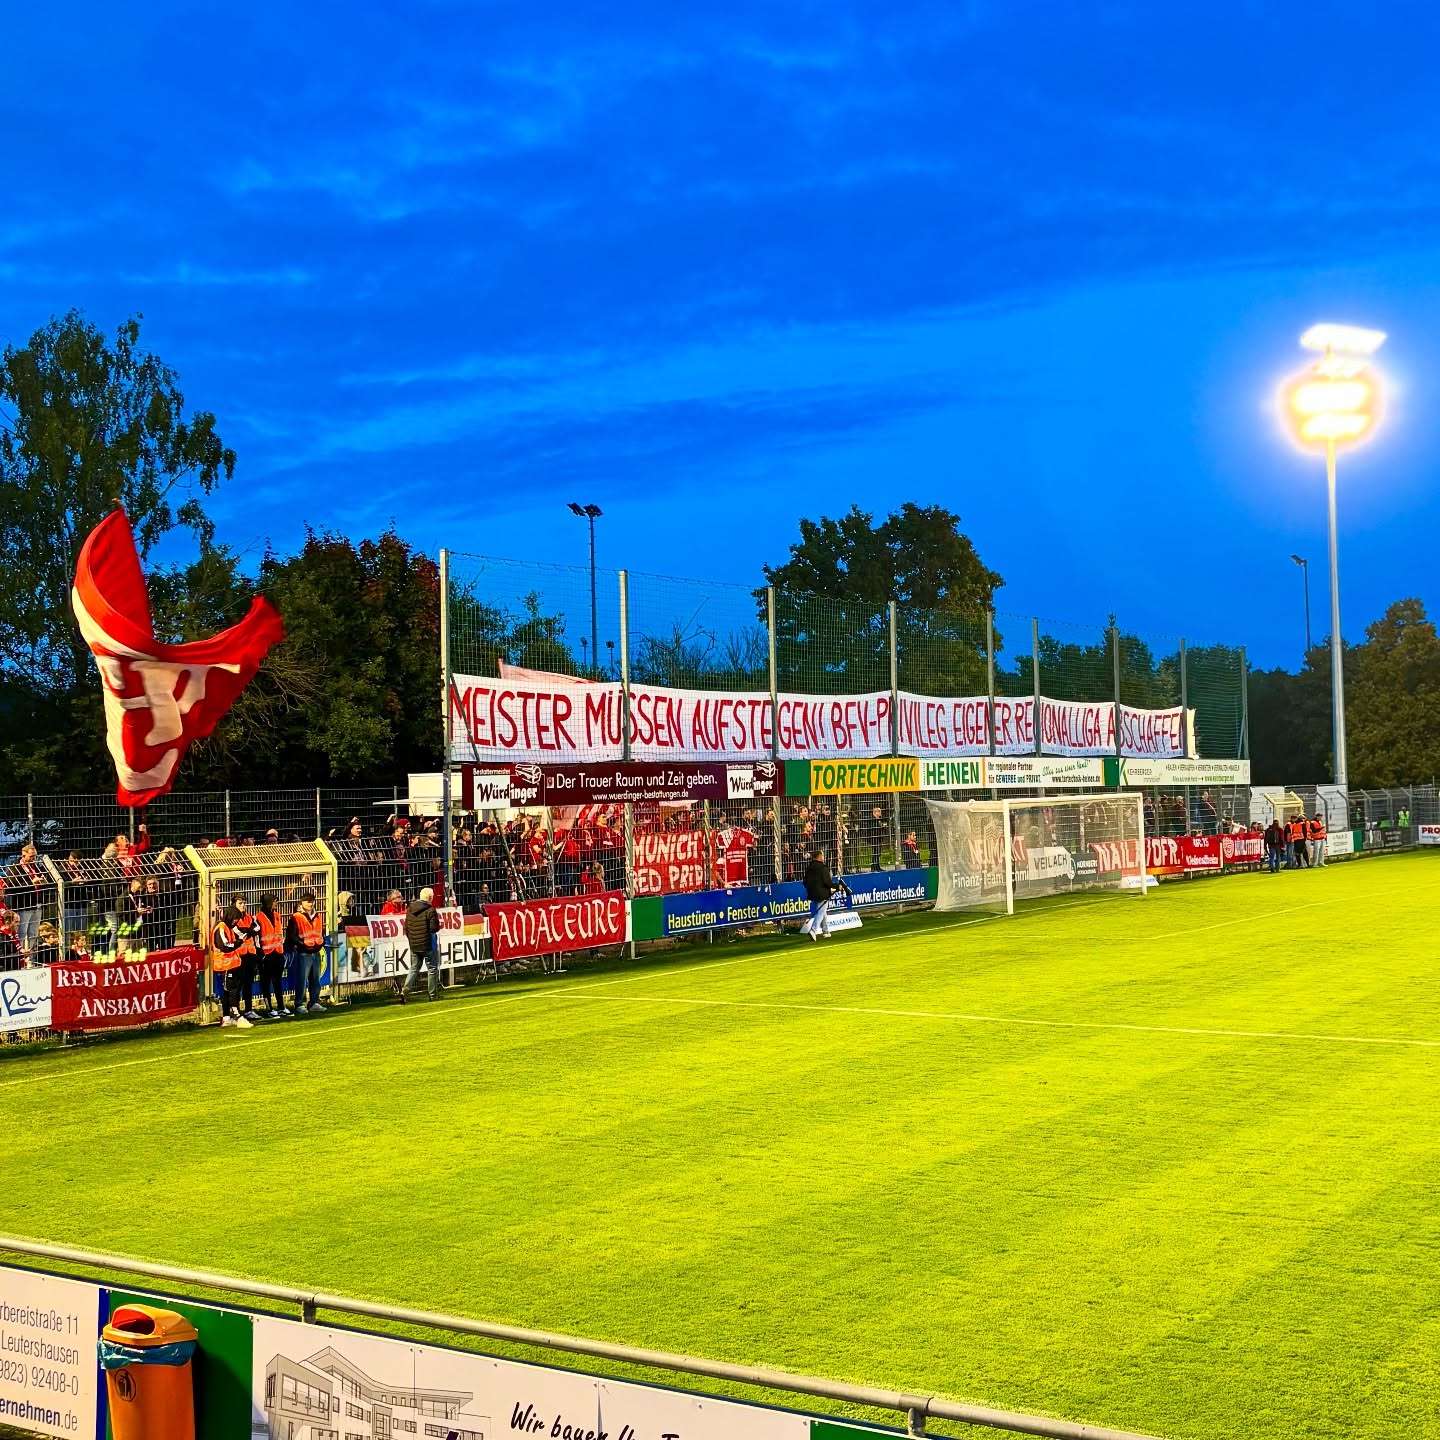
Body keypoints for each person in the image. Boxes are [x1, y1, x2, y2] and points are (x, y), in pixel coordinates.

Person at [212, 903, 255, 1029]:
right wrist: (239, 942)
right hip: (225, 965)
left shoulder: (230, 926)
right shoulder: (221, 927)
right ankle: (238, 1016)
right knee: (233, 991)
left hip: (232, 964)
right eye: (235, 918)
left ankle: (226, 1017)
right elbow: (225, 946)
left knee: (228, 991)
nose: (237, 921)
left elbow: (241, 935)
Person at [6, 844, 51, 960]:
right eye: (31, 856)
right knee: (21, 932)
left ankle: (30, 959)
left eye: (35, 856)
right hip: (23, 905)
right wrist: (31, 882)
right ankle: (19, 958)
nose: (33, 859)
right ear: (23, 854)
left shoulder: (35, 866)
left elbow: (44, 877)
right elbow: (12, 884)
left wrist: (43, 880)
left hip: (37, 904)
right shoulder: (15, 867)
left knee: (33, 933)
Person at [286, 889, 327, 1014]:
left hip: (316, 951)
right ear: (302, 903)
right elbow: (291, 935)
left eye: (312, 901)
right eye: (308, 902)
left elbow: (320, 931)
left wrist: (321, 942)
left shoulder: (317, 915)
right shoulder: (296, 917)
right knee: (302, 980)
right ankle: (300, 1004)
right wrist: (301, 944)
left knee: (315, 979)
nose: (310, 904)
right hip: (303, 952)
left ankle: (314, 1002)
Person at [400, 887, 441, 1001]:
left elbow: (406, 928)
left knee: (414, 968)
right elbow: (434, 928)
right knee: (432, 969)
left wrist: (412, 940)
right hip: (428, 944)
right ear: (430, 897)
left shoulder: (410, 909)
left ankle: (404, 991)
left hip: (414, 945)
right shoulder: (431, 910)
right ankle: (433, 996)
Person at [255, 892, 291, 1018]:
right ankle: (269, 1008)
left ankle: (281, 1007)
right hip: (266, 954)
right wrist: (260, 955)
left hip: (278, 952)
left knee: (277, 981)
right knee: (266, 982)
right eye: (275, 901)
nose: (276, 903)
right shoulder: (259, 917)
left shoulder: (277, 915)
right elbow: (257, 938)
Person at [232, 895, 262, 1022]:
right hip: (239, 955)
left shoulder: (249, 916)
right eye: (240, 903)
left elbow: (257, 928)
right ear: (234, 904)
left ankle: (249, 1010)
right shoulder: (232, 918)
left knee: (248, 983)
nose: (243, 905)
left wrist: (248, 931)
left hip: (250, 954)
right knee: (237, 985)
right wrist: (249, 931)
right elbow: (238, 932)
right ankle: (236, 1011)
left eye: (244, 903)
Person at [802, 849, 844, 941]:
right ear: (820, 857)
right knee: (821, 912)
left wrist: (811, 888)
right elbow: (828, 883)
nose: (823, 857)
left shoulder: (809, 867)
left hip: (812, 893)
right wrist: (837, 887)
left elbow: (804, 882)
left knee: (822, 911)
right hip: (822, 893)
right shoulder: (823, 868)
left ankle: (826, 931)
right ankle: (813, 930)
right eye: (823, 856)